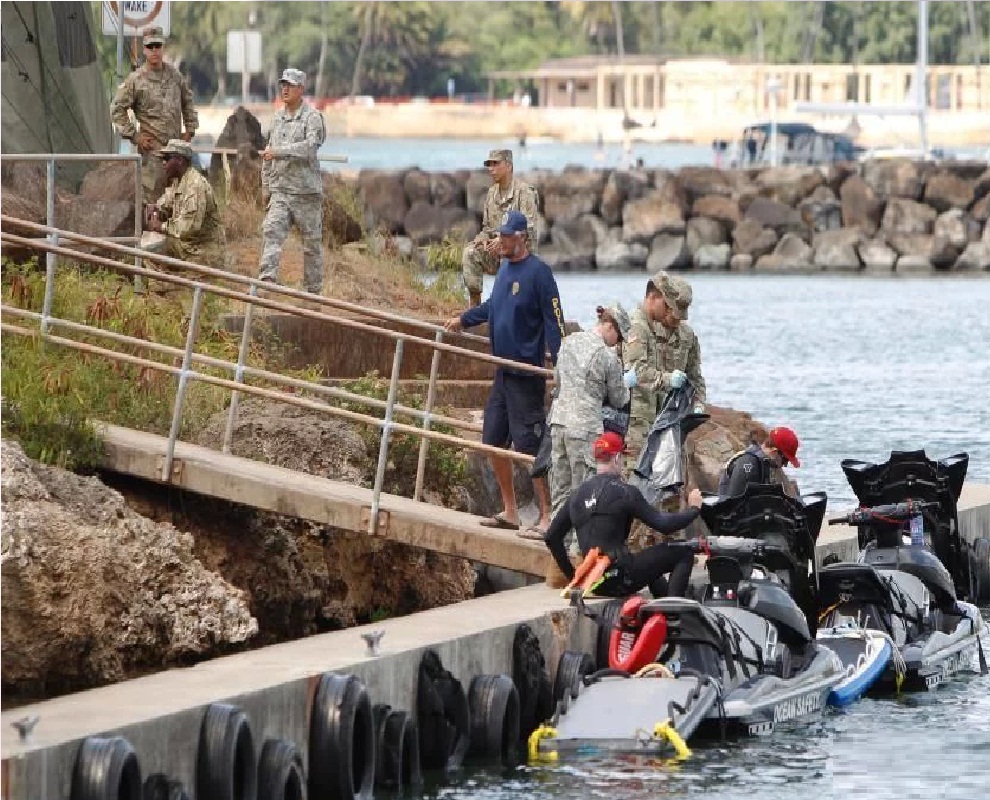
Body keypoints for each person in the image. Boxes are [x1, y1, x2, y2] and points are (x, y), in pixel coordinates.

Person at [445, 210, 566, 535]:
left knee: (529, 448)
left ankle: (546, 516)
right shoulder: (503, 270)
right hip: (503, 372)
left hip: (525, 373)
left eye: (507, 237)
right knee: (492, 440)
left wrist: (563, 366)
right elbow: (492, 307)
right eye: (500, 236)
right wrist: (465, 318)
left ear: (522, 237)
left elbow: (555, 320)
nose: (501, 242)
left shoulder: (539, 273)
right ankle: (511, 510)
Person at [544, 431, 703, 599]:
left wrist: (574, 576)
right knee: (684, 552)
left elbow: (551, 537)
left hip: (594, 582)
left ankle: (662, 605)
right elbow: (664, 525)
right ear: (617, 458)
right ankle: (673, 616)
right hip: (621, 578)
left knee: (649, 560)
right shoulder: (624, 492)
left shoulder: (576, 495)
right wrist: (694, 509)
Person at [539, 303, 633, 544]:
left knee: (560, 493)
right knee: (586, 495)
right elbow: (619, 398)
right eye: (619, 336)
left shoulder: (569, 342)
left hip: (559, 424)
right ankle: (578, 558)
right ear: (609, 327)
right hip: (586, 429)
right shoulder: (607, 356)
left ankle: (556, 564)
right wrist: (627, 382)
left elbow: (557, 380)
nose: (618, 343)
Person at [623, 272, 706, 461]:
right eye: (670, 309)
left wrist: (698, 404)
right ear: (655, 299)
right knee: (634, 476)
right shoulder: (635, 327)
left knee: (670, 480)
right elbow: (637, 371)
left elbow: (695, 376)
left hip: (671, 420)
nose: (674, 317)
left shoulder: (686, 336)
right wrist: (668, 379)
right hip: (638, 421)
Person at [110, 27, 198, 205]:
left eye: (158, 46)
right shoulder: (136, 80)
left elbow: (188, 102)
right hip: (153, 156)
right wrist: (135, 136)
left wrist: (189, 131)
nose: (155, 51)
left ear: (163, 47)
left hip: (177, 154)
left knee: (181, 203)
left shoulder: (175, 76)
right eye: (150, 47)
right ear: (144, 49)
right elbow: (116, 109)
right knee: (152, 206)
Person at [259, 68, 327, 295]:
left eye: (290, 85)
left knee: (311, 245)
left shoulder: (312, 117)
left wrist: (279, 152)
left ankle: (312, 291)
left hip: (306, 193)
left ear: (301, 89)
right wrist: (266, 186)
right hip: (281, 191)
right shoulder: (277, 117)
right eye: (283, 85)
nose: (285, 89)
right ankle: (267, 279)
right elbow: (268, 154)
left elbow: (310, 148)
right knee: (271, 232)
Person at [461, 149, 539, 307]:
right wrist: (482, 240)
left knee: (507, 261)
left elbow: (528, 230)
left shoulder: (524, 193)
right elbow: (487, 228)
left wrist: (503, 240)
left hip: (521, 254)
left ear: (509, 166)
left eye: (496, 164)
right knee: (470, 253)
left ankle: (506, 308)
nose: (491, 168)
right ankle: (474, 306)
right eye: (489, 164)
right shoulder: (491, 194)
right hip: (498, 251)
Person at [144, 139, 226, 270]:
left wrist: (160, 226)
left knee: (151, 251)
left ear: (180, 160)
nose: (163, 162)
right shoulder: (179, 181)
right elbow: (164, 203)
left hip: (203, 251)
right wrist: (154, 210)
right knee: (151, 245)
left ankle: (163, 288)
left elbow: (188, 228)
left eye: (167, 158)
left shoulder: (195, 186)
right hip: (189, 245)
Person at [718, 426, 801, 498]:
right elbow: (733, 502)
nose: (785, 464)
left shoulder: (764, 463)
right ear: (774, 451)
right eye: (785, 460)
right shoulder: (748, 462)